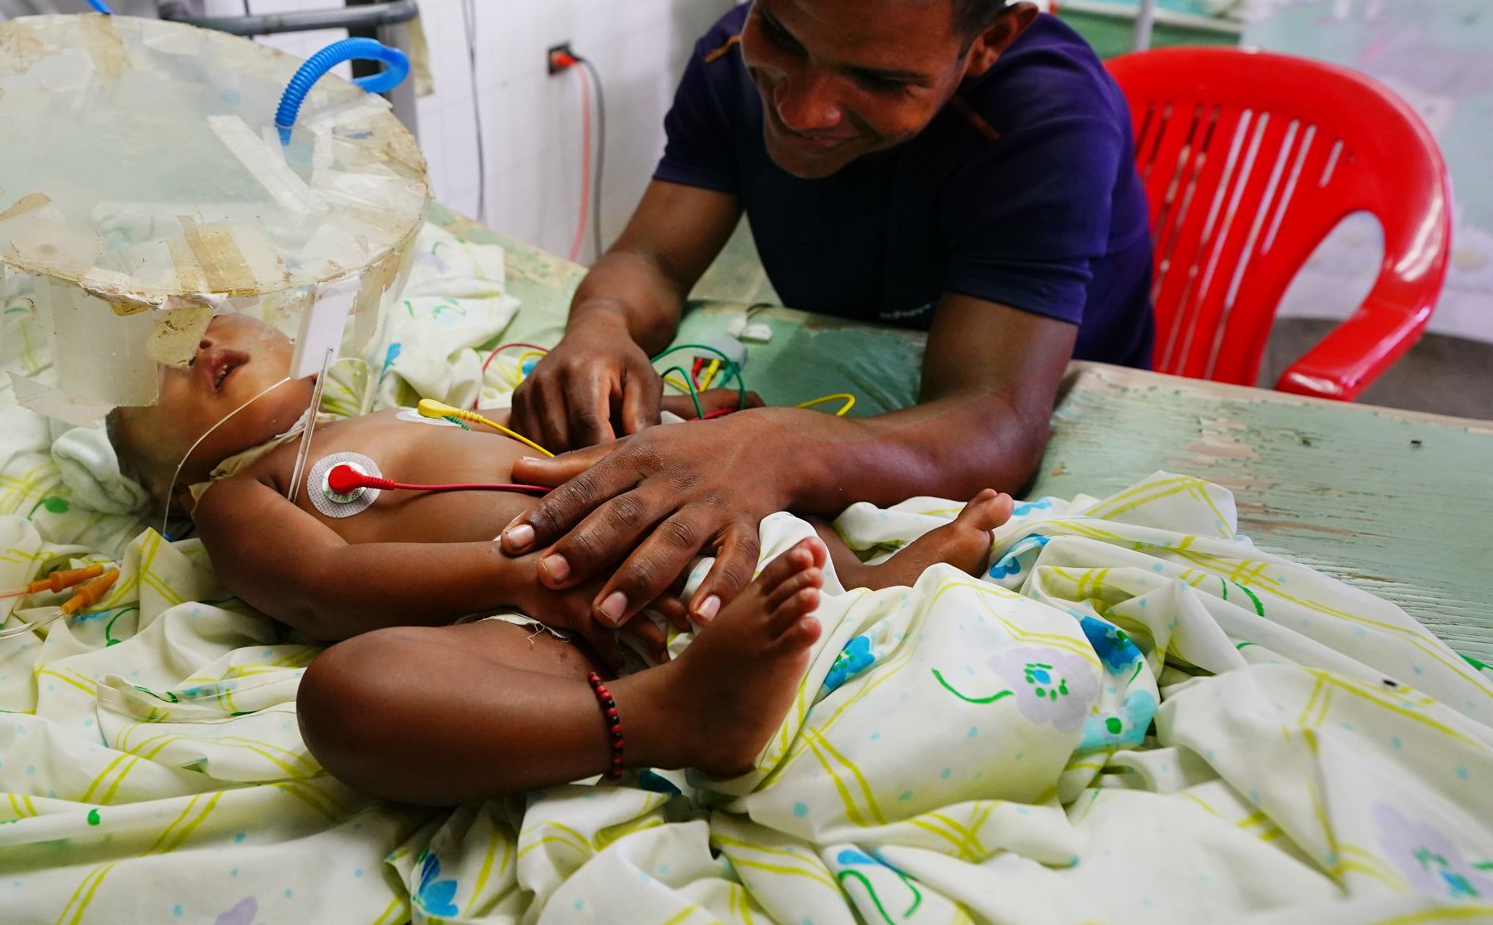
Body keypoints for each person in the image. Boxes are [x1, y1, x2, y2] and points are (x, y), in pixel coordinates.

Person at [501, 0, 1151, 651]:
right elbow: (651, 265)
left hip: (1075, 420)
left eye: (881, 81)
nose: (804, 110)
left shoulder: (1047, 123)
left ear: (987, 44)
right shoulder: (733, 60)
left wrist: (776, 448)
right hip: (858, 386)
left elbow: (994, 419)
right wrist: (600, 327)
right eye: (784, 31)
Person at [106, 313, 1014, 806]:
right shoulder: (236, 495)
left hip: (658, 523)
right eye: (157, 370)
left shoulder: (403, 407)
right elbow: (323, 588)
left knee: (738, 471)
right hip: (531, 623)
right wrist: (515, 582)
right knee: (349, 697)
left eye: (204, 319)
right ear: (171, 488)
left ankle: (868, 582)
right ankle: (663, 715)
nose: (195, 345)